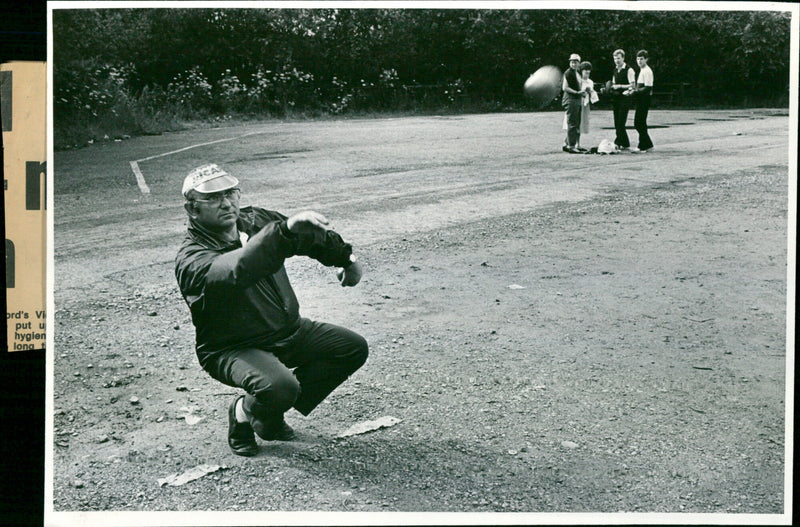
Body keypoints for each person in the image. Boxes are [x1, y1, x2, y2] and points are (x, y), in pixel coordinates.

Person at [175, 163, 368, 456]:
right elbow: (237, 268)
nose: (226, 203)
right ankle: (243, 413)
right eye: (213, 198)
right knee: (280, 386)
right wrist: (282, 233)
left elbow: (306, 235)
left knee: (351, 348)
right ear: (193, 210)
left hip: (289, 331)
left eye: (230, 193)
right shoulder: (192, 259)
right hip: (232, 348)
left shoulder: (255, 220)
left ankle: (266, 414)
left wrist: (346, 259)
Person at [608, 49, 636, 150]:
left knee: (621, 122)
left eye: (618, 58)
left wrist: (619, 86)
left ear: (623, 58)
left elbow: (633, 85)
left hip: (625, 98)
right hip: (616, 98)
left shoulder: (629, 70)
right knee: (617, 122)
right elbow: (613, 83)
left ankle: (618, 142)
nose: (617, 61)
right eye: (615, 59)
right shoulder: (615, 70)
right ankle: (625, 143)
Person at [631, 49, 654, 152]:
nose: (639, 61)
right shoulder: (642, 70)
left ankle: (644, 145)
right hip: (641, 98)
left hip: (644, 99)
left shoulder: (647, 71)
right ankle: (646, 144)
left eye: (641, 59)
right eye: (638, 59)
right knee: (640, 122)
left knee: (639, 122)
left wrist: (636, 91)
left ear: (646, 60)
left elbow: (648, 87)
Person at [561, 53, 585, 153]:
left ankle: (567, 143)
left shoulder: (577, 73)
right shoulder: (568, 73)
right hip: (571, 99)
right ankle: (571, 146)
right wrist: (577, 92)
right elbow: (565, 88)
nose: (573, 64)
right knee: (572, 123)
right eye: (572, 62)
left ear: (579, 63)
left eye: (575, 62)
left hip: (577, 99)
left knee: (576, 122)